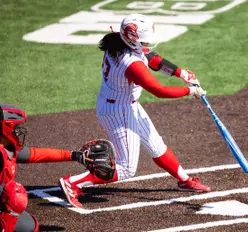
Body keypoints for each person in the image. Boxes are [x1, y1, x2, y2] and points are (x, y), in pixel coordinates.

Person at [59, 13, 211, 209]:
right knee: (127, 168)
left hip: (125, 104)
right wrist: (190, 91)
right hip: (117, 111)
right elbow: (159, 91)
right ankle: (73, 182)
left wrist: (180, 72)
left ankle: (185, 180)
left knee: (156, 145)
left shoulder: (118, 41)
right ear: (132, 39)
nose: (147, 44)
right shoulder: (130, 64)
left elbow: (151, 57)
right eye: (143, 40)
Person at [0, 103, 90, 232]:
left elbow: (36, 154)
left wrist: (73, 155)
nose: (18, 131)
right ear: (6, 128)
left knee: (30, 226)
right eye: (16, 127)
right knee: (14, 194)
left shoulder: (7, 147)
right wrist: (6, 193)